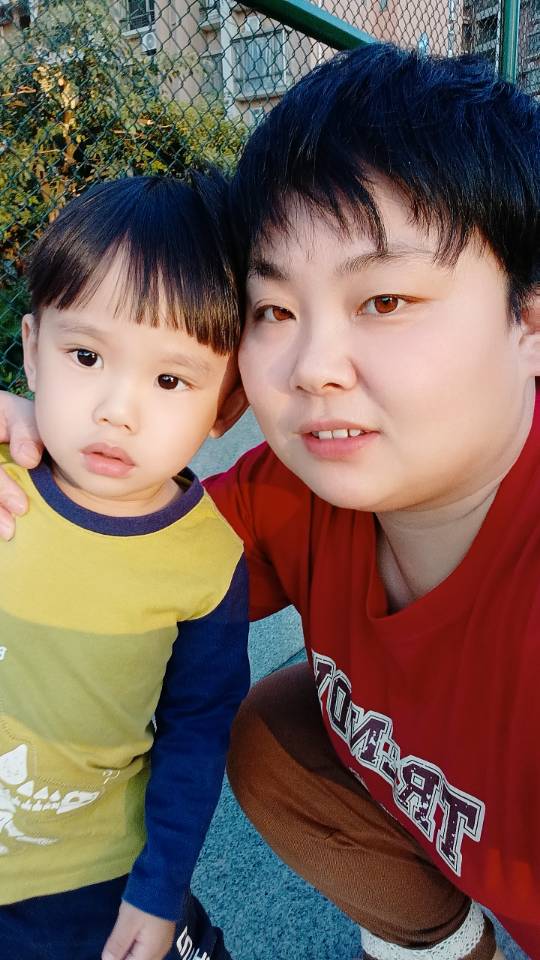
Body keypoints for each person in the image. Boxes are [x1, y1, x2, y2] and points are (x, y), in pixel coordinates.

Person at [1, 42, 539, 960]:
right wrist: (28, 453)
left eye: (385, 300)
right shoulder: (291, 496)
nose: (313, 368)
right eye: (275, 311)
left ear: (528, 319)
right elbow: (112, 543)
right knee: (271, 733)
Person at [0, 175, 250, 960]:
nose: (117, 409)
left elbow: (196, 734)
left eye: (170, 380)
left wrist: (160, 887)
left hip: (94, 880)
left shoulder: (208, 563)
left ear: (226, 405)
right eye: (85, 355)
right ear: (32, 350)